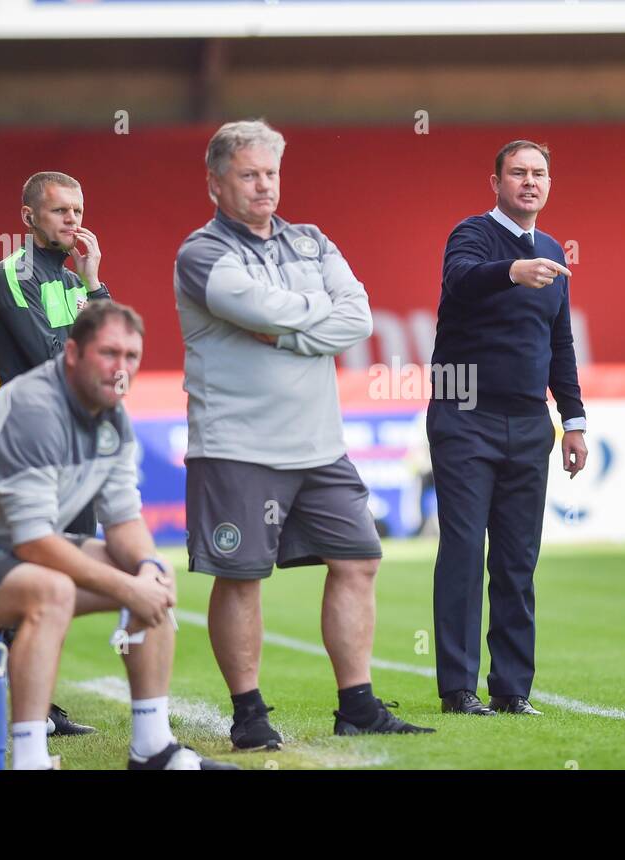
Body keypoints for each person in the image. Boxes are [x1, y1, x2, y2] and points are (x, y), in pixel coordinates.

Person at [0, 300, 235, 770]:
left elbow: (125, 522)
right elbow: (33, 543)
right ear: (73, 353)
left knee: (152, 572)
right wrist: (128, 588)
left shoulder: (114, 416)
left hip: (0, 547)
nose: (122, 367)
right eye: (109, 353)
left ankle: (152, 748)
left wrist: (147, 568)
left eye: (132, 356)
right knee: (52, 590)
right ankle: (30, 758)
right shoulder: (35, 408)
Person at [174, 119, 434, 749]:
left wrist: (288, 331)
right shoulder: (201, 252)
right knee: (240, 577)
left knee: (359, 560)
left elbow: (358, 317)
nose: (264, 186)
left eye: (271, 173)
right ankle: (249, 714)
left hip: (320, 444)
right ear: (215, 182)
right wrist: (306, 321)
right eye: (248, 174)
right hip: (237, 444)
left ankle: (357, 704)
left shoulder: (313, 241)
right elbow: (260, 308)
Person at [429, 141, 587, 717]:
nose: (529, 182)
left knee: (518, 560)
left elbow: (560, 342)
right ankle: (458, 689)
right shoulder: (471, 235)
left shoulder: (551, 250)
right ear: (494, 180)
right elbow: (462, 281)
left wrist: (572, 419)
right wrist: (512, 272)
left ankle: (512, 688)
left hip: (528, 420)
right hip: (464, 412)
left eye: (539, 173)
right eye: (517, 172)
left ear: (550, 183)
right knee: (465, 552)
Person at [0, 170, 110, 735]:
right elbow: (53, 358)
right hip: (35, 447)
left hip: (78, 445)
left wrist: (95, 282)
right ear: (28, 217)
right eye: (61, 211)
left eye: (78, 210)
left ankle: (37, 703)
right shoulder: (14, 275)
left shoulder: (73, 277)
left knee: (66, 578)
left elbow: (113, 349)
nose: (74, 221)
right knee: (34, 575)